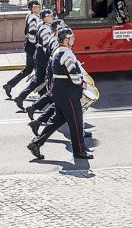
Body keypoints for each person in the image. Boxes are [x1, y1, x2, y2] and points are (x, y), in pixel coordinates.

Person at [27, 27, 93, 161]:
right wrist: (83, 84)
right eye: (72, 37)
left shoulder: (58, 51)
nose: (74, 39)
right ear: (66, 40)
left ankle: (36, 143)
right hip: (69, 94)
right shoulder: (67, 54)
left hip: (59, 93)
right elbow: (73, 76)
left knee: (58, 120)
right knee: (76, 123)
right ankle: (79, 151)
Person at [14, 9, 54, 110]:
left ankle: (21, 97)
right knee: (49, 78)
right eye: (49, 16)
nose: (52, 17)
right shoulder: (46, 29)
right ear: (45, 18)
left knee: (38, 79)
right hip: (43, 56)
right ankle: (46, 103)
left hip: (38, 54)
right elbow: (46, 46)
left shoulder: (41, 25)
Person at [3, 0, 42, 98]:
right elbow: (32, 33)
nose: (39, 7)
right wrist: (37, 45)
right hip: (32, 47)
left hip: (29, 46)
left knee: (28, 69)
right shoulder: (34, 18)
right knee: (39, 72)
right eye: (37, 6)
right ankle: (39, 94)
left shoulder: (31, 16)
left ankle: (10, 85)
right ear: (33, 8)